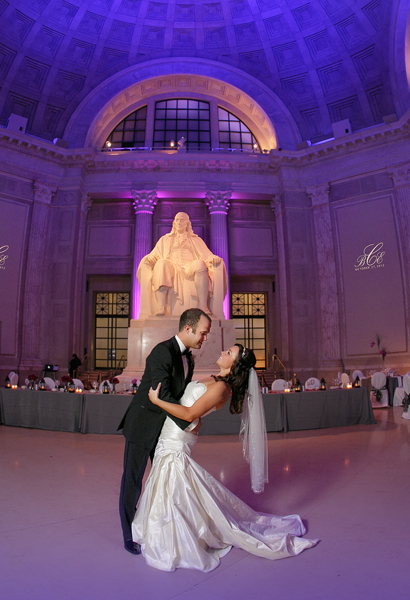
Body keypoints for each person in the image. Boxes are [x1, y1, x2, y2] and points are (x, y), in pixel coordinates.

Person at [132, 343, 318, 572]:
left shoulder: (222, 388)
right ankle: (180, 524)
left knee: (173, 479)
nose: (223, 352)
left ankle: (178, 533)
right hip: (173, 431)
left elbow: (191, 414)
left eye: (229, 353)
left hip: (178, 436)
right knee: (172, 480)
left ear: (235, 365)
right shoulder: (214, 379)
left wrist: (157, 401)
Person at [118, 308, 211, 555]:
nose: (205, 338)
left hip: (165, 429)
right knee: (133, 482)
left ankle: (160, 528)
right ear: (188, 328)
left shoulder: (188, 357)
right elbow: (164, 396)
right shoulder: (162, 351)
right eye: (203, 333)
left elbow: (180, 394)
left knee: (162, 481)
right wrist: (189, 421)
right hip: (143, 425)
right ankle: (129, 535)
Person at [137, 212, 227, 316]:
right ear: (174, 223)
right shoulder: (165, 239)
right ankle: (161, 306)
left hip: (189, 266)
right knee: (161, 263)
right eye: (177, 220)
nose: (179, 222)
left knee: (200, 264)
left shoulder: (195, 239)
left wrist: (213, 258)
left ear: (187, 224)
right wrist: (149, 257)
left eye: (182, 220)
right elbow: (155, 254)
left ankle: (203, 306)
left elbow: (207, 255)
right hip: (171, 266)